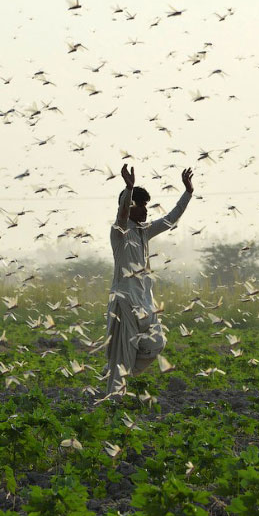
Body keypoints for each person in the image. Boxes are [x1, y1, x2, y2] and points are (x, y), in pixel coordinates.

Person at [104, 164, 193, 398]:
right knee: (123, 356)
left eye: (145, 206)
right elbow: (122, 215)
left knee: (156, 343)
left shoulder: (145, 231)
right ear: (129, 207)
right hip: (125, 305)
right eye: (139, 205)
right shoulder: (119, 232)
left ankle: (114, 375)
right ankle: (114, 398)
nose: (144, 210)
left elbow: (170, 219)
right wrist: (128, 188)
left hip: (144, 304)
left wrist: (188, 193)